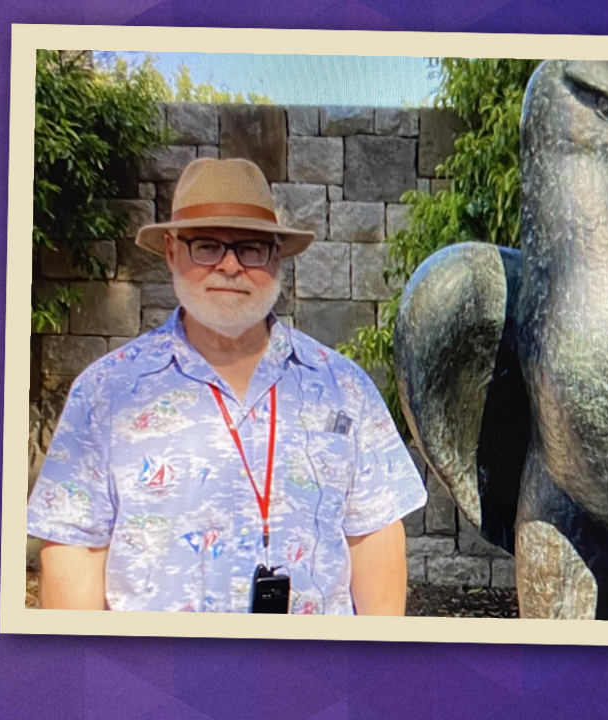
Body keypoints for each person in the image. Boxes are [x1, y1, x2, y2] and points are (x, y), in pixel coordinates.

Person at [27, 158, 427, 614]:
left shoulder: (344, 388)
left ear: (276, 257)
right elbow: (76, 546)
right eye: (207, 246)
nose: (230, 265)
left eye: (251, 248)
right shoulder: (106, 392)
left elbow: (373, 534)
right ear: (172, 252)